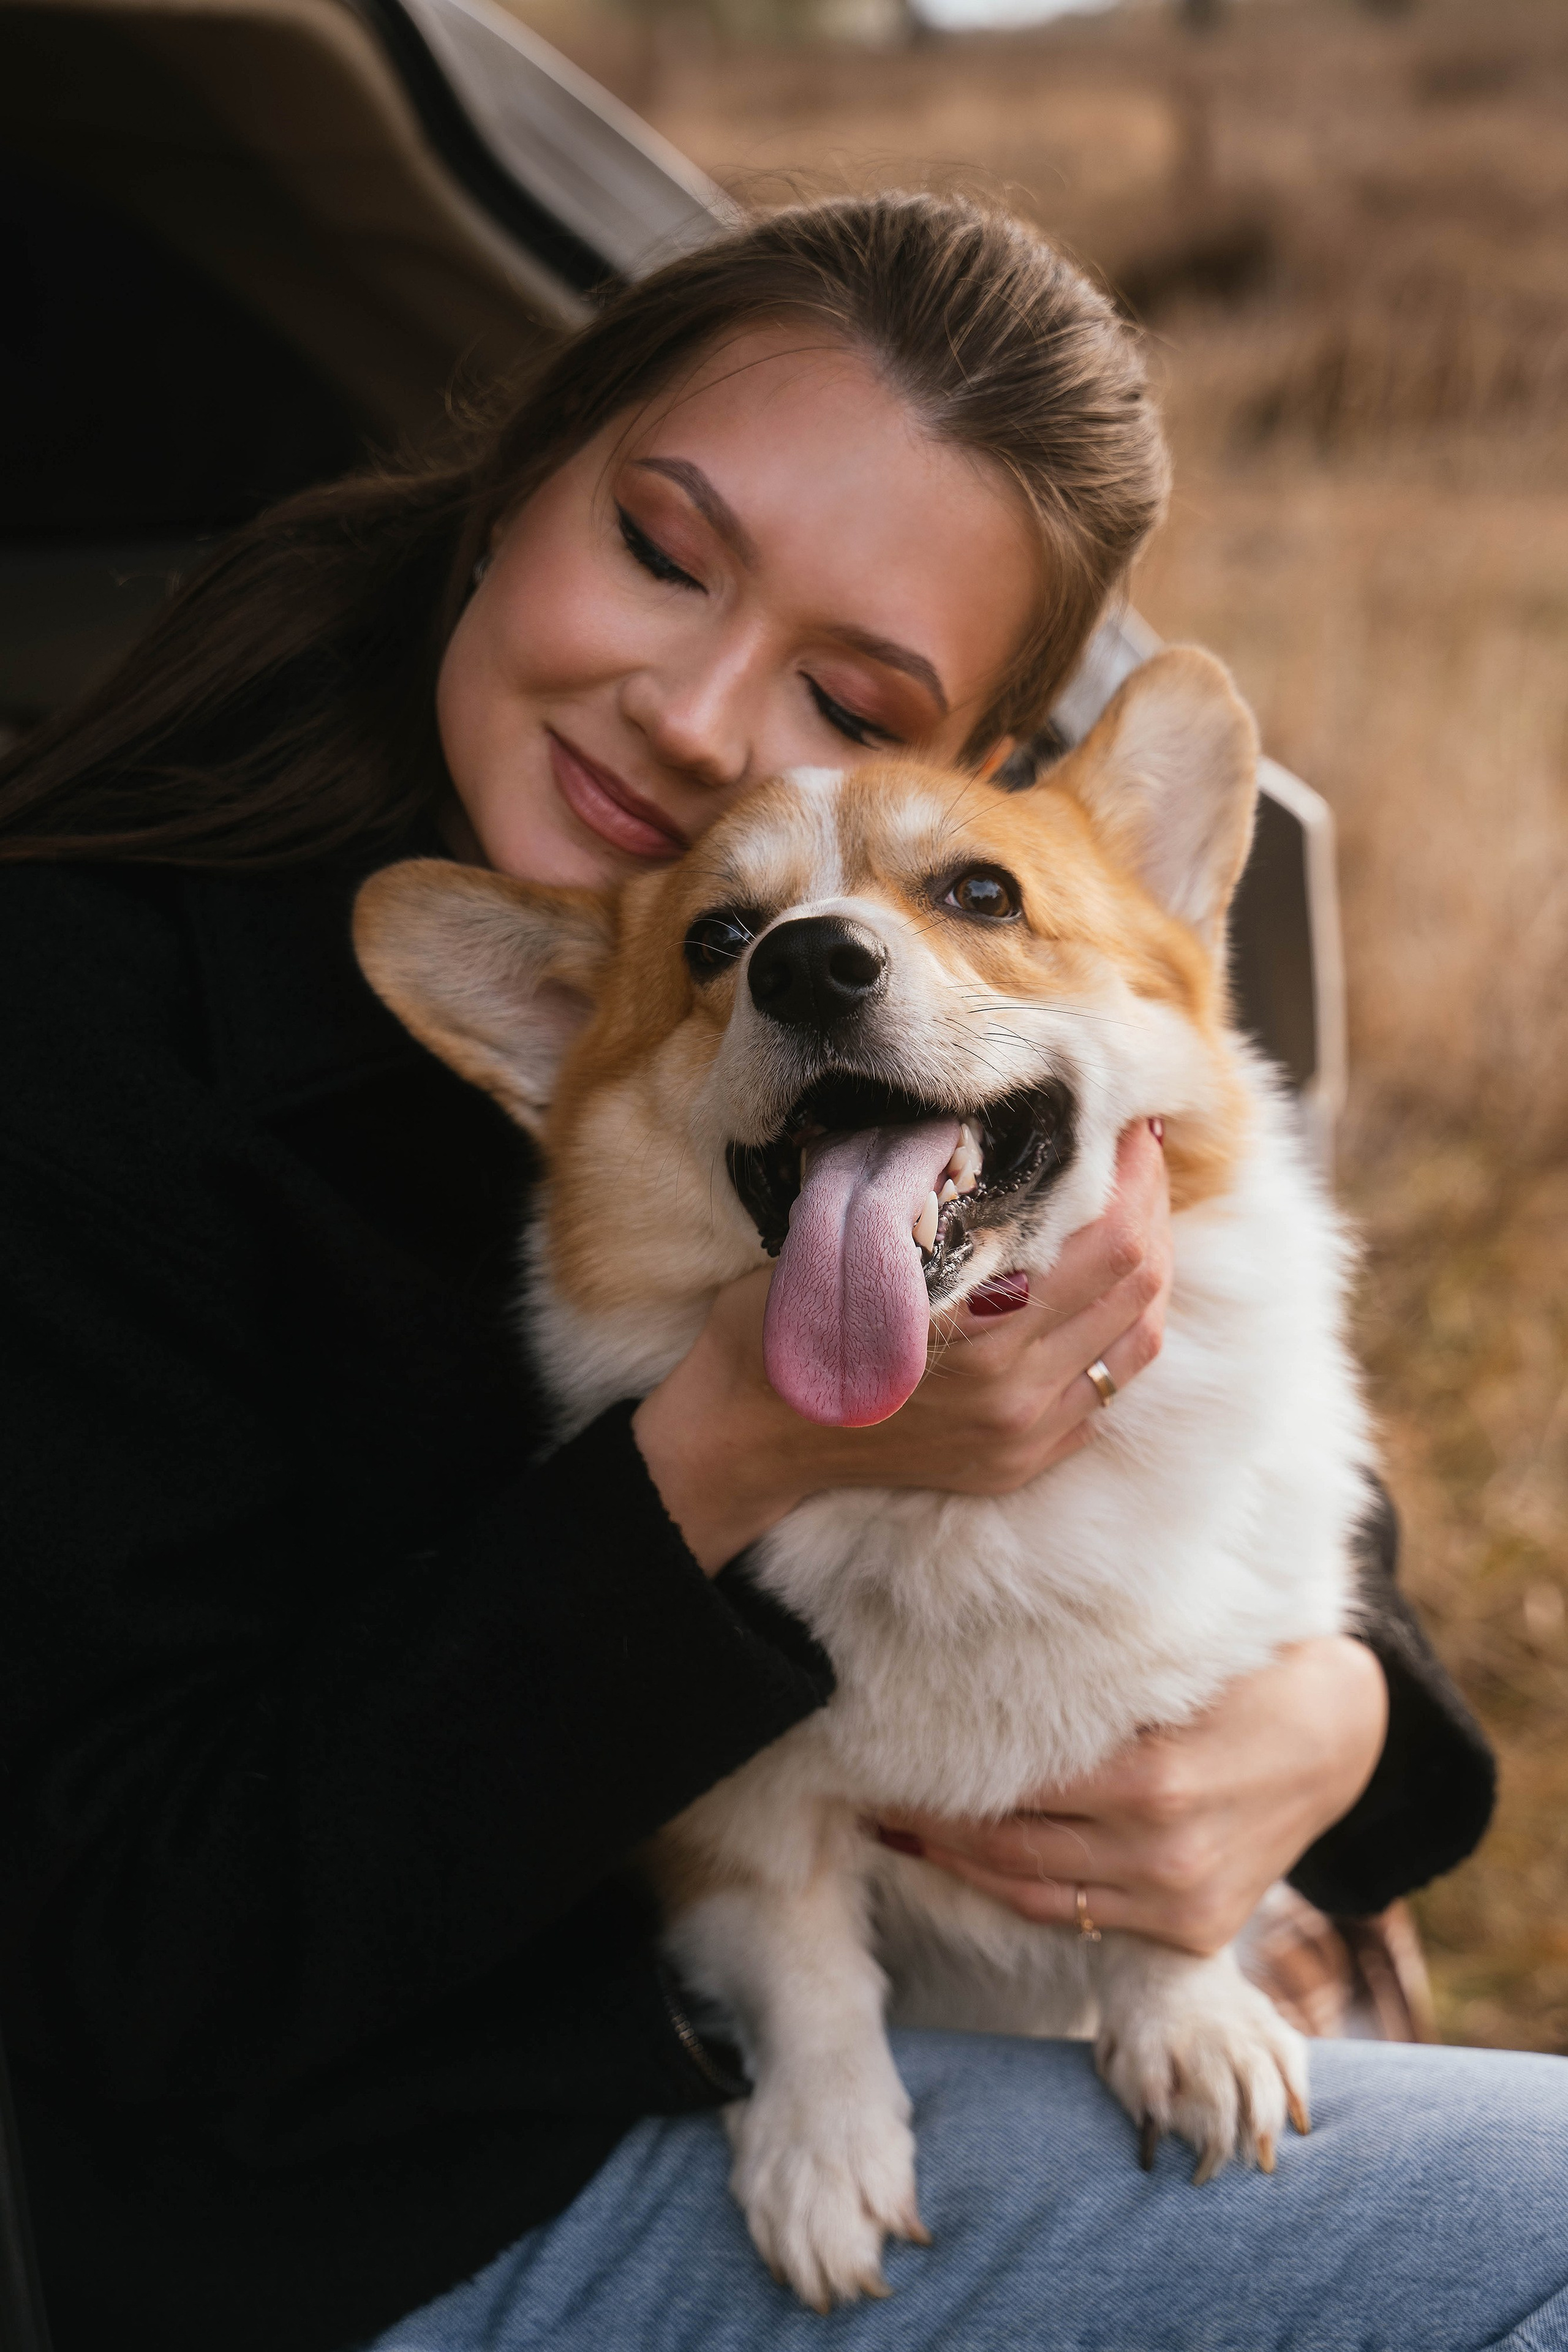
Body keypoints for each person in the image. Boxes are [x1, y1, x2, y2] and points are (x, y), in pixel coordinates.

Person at [0, 192, 1549, 2352]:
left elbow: (1286, 1479)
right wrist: (711, 1460)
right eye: (659, 546)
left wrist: (1352, 1718)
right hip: (402, 2177)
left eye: (846, 692)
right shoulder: (79, 1036)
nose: (702, 715)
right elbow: (126, 1965)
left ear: (973, 771)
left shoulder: (904, 1033)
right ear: (522, 464)